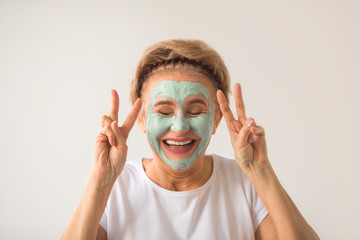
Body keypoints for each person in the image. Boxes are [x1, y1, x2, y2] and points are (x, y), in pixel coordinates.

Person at [61, 39, 319, 240]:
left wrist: (259, 170)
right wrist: (101, 179)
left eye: (196, 111)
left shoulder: (244, 182)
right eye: (163, 111)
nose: (180, 126)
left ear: (217, 120)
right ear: (140, 119)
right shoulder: (114, 188)